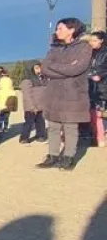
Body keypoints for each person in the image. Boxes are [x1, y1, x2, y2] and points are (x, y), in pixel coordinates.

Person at [38, 18, 94, 171]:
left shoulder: (84, 48)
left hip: (73, 94)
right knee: (54, 126)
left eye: (60, 28)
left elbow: (77, 69)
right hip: (54, 94)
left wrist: (55, 68)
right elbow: (44, 68)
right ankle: (52, 156)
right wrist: (65, 69)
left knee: (70, 127)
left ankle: (68, 157)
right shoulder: (54, 48)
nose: (57, 31)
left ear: (72, 30)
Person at [19, 64, 48, 144]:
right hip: (31, 107)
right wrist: (32, 107)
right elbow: (27, 95)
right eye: (37, 68)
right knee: (29, 123)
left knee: (40, 122)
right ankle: (24, 138)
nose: (39, 70)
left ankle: (40, 136)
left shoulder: (41, 79)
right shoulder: (26, 81)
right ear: (31, 69)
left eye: (40, 67)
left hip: (41, 106)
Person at [87, 31, 107, 147]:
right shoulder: (89, 53)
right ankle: (96, 136)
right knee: (93, 113)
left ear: (101, 40)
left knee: (101, 113)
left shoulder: (105, 53)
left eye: (94, 40)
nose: (92, 43)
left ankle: (101, 136)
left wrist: (101, 75)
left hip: (102, 86)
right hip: (90, 86)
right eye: (90, 41)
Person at [0, 67, 17, 134]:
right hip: (9, 106)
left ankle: (0, 128)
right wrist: (14, 106)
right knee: (7, 117)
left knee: (0, 117)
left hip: (2, 106)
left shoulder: (0, 91)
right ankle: (6, 128)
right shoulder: (12, 91)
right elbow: (15, 98)